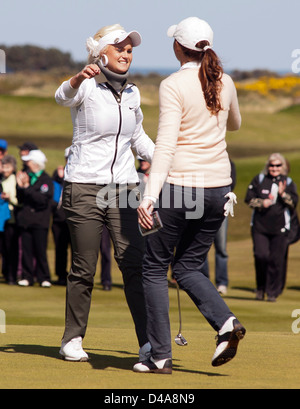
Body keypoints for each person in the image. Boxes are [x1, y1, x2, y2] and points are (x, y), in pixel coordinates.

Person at [134, 17, 245, 374]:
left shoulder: (173, 84)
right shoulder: (224, 81)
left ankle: (160, 356)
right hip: (219, 192)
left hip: (181, 189)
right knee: (186, 266)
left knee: (152, 267)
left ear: (178, 47)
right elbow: (235, 124)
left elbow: (165, 145)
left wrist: (148, 196)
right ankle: (226, 324)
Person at [55, 24, 155, 362]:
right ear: (101, 54)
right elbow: (61, 97)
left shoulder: (133, 93)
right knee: (84, 267)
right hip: (83, 184)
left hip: (124, 188)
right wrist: (77, 78)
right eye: (120, 48)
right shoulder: (86, 87)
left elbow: (138, 139)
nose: (127, 53)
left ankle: (148, 342)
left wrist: (167, 159)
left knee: (134, 264)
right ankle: (72, 339)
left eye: (130, 49)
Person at [244, 153, 298, 302]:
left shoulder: (288, 182)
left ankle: (272, 292)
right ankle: (260, 288)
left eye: (278, 165)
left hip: (280, 228)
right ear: (268, 166)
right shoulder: (260, 179)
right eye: (272, 165)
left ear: (283, 167)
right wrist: (262, 203)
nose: (274, 168)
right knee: (261, 256)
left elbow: (293, 203)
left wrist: (283, 194)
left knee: (276, 260)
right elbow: (248, 199)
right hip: (260, 227)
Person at [16, 149, 53, 288]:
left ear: (36, 163)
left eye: (29, 161)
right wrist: (20, 186)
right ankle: (27, 277)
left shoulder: (46, 180)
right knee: (26, 250)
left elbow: (42, 200)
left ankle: (44, 277)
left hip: (40, 221)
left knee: (40, 250)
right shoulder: (26, 176)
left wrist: (26, 187)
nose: (26, 163)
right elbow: (20, 198)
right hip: (26, 220)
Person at [201, 160, 236, 295]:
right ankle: (204, 282)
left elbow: (230, 185)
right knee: (201, 247)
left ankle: (222, 283)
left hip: (221, 209)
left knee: (221, 248)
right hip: (202, 209)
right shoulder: (201, 160)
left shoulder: (228, 163)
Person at [1, 155, 19, 284]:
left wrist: (9, 198)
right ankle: (5, 273)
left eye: (8, 167)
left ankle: (12, 276)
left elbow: (19, 200)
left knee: (11, 247)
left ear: (13, 168)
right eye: (3, 166)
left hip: (12, 216)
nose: (5, 169)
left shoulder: (15, 180)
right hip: (1, 215)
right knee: (2, 247)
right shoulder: (1, 179)